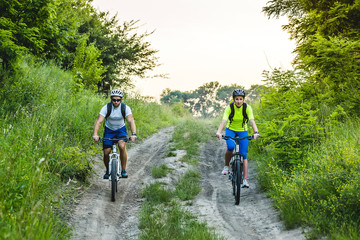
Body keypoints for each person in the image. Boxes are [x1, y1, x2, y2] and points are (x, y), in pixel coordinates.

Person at [216, 89, 260, 188]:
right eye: (237, 99)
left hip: (242, 131)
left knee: (243, 154)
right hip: (230, 130)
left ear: (243, 99)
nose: (239, 101)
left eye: (240, 99)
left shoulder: (247, 108)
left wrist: (256, 132)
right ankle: (226, 166)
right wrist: (219, 132)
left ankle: (244, 180)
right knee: (231, 147)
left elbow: (252, 121)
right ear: (234, 99)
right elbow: (224, 120)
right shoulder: (229, 108)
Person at [92, 89, 137, 179]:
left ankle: (123, 170)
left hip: (121, 130)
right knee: (106, 152)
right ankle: (108, 170)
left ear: (121, 99)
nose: (116, 102)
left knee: (121, 146)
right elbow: (99, 121)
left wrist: (133, 134)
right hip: (109, 130)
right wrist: (95, 134)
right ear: (111, 99)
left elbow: (130, 121)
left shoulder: (125, 108)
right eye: (114, 100)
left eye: (118, 100)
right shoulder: (106, 108)